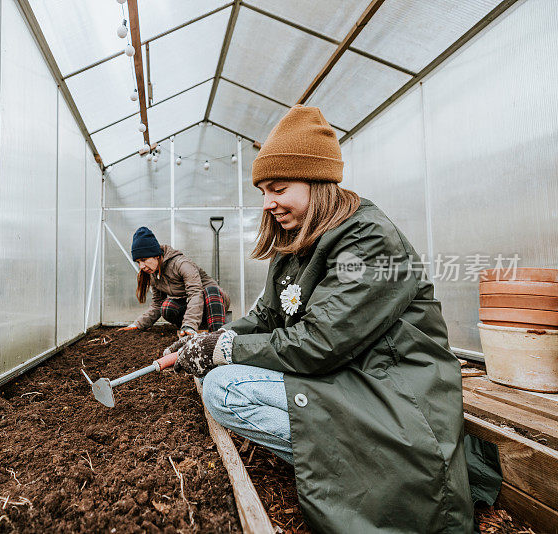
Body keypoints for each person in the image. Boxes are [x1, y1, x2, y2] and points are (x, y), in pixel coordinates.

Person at [166, 105, 475, 533]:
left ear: (317, 181)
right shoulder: (297, 242)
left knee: (226, 385)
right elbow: (264, 318)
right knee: (222, 380)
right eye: (262, 191)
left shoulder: (368, 238)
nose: (268, 203)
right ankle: (345, 458)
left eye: (278, 188)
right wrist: (209, 338)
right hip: (348, 375)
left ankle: (366, 465)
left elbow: (320, 341)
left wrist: (222, 350)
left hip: (395, 390)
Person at [119, 227, 230, 338]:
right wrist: (137, 324)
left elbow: (195, 293)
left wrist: (189, 324)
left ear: (156, 255)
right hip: (193, 308)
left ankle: (217, 335)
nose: (141, 266)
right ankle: (191, 328)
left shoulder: (181, 264)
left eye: (143, 260)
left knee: (210, 290)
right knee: (167, 307)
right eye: (138, 262)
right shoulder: (153, 274)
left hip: (215, 303)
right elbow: (158, 303)